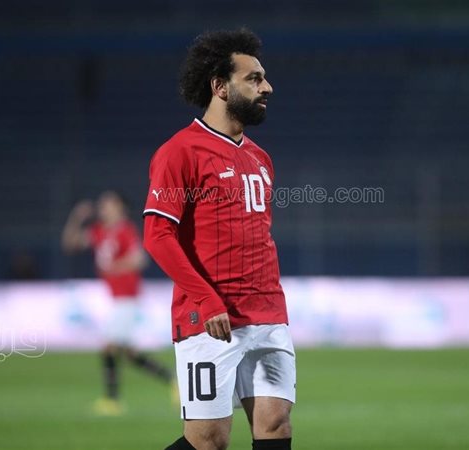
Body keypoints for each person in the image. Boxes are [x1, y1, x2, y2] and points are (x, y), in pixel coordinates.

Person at [142, 29, 294, 450]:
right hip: (209, 319)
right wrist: (207, 300)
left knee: (276, 425)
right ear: (220, 87)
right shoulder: (180, 152)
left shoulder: (260, 158)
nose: (267, 87)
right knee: (208, 440)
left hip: (268, 314)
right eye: (254, 78)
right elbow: (157, 236)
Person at [62, 190, 174, 416]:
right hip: (116, 299)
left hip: (127, 298)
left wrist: (115, 267)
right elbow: (70, 244)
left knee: (109, 346)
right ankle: (172, 380)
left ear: (120, 208)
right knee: (128, 352)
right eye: (102, 204)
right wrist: (76, 217)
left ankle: (112, 401)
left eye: (108, 204)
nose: (103, 208)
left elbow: (139, 259)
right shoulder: (99, 231)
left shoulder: (125, 230)